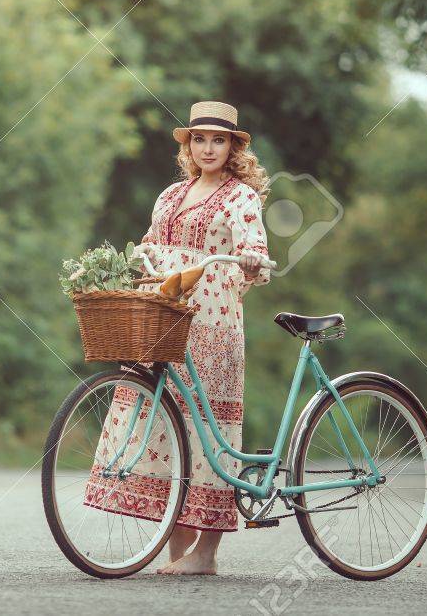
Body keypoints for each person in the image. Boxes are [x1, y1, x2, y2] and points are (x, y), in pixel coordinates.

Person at [81, 100, 271, 576]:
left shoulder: (240, 197)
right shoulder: (169, 195)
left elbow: (255, 247)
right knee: (165, 423)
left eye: (219, 139)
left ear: (232, 146)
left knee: (206, 431)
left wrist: (250, 258)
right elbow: (147, 247)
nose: (208, 148)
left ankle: (205, 555)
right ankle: (175, 552)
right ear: (189, 144)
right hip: (162, 317)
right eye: (200, 139)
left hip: (212, 322)